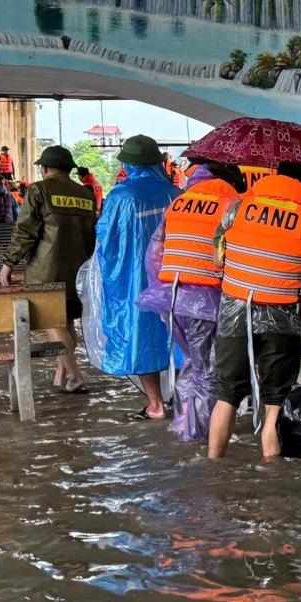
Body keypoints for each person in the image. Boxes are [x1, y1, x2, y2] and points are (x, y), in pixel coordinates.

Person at [207, 161, 301, 460]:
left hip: (235, 312)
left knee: (227, 395)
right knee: (275, 400)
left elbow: (219, 258)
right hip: (283, 317)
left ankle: (213, 465)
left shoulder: (238, 208)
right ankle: (271, 475)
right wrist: (300, 321)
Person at [137, 162, 243, 442]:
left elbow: (154, 253)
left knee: (193, 365)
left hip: (171, 297)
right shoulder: (231, 205)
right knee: (208, 369)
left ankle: (186, 423)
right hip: (205, 302)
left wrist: (160, 296)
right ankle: (199, 436)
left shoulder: (179, 204)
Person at [91, 134, 182, 419]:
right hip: (173, 279)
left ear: (128, 164)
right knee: (177, 337)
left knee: (139, 336)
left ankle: (155, 404)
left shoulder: (121, 196)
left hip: (135, 282)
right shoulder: (176, 194)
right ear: (159, 162)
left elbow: (106, 239)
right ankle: (182, 401)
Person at [0, 145, 96, 393]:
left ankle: (76, 376)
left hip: (47, 270)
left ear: (44, 169)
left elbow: (25, 232)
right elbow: (92, 235)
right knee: (67, 323)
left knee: (53, 323)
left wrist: (9, 263)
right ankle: (61, 375)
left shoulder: (39, 189)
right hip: (78, 271)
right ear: (68, 169)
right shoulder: (85, 194)